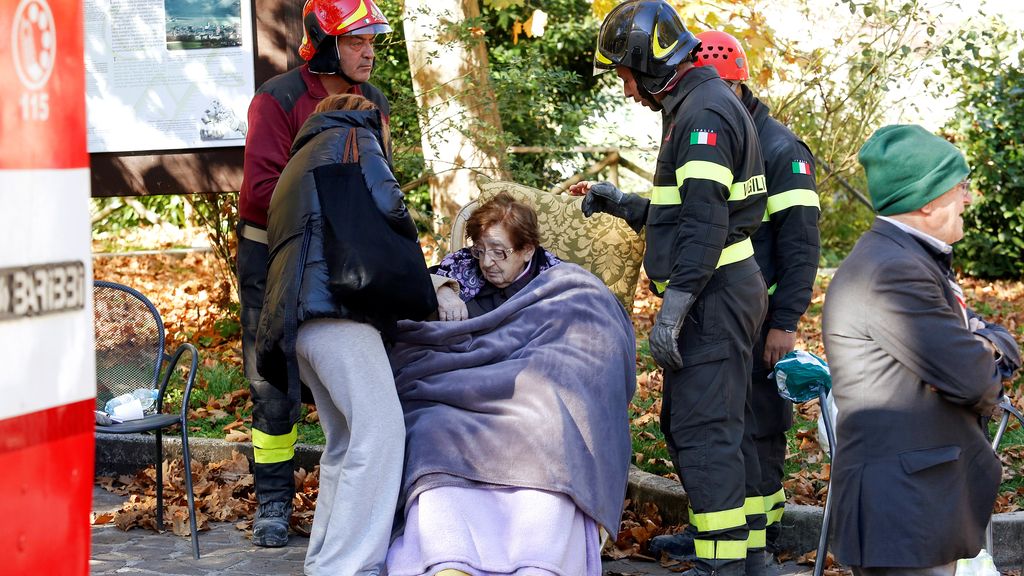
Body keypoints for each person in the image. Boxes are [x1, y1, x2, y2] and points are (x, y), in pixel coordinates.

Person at [570, 2, 768, 575]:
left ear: (649, 63)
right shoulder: (694, 105)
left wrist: (672, 311)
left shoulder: (703, 114)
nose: (627, 90)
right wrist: (623, 203)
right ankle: (746, 559)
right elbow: (686, 209)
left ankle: (723, 566)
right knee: (708, 428)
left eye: (625, 75)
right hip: (721, 289)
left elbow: (707, 225)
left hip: (713, 294)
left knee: (704, 434)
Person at [385, 193, 637, 576]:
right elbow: (410, 310)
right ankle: (449, 555)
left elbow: (593, 337)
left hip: (528, 391)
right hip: (456, 391)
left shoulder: (558, 281)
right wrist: (440, 286)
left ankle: (538, 559)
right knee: (432, 429)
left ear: (527, 250)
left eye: (499, 252)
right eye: (481, 249)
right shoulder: (462, 269)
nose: (487, 262)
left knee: (551, 423)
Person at [649, 31, 821, 566]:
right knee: (725, 425)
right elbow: (686, 212)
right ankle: (735, 544)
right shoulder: (727, 125)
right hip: (731, 298)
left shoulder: (781, 148)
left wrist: (785, 321)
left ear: (737, 85)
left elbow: (800, 244)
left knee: (751, 425)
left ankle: (749, 546)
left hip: (748, 307)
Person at [822, 124, 1021, 576]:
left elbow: (986, 343)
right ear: (928, 199)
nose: (968, 198)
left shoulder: (905, 259)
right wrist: (984, 345)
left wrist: (983, 342)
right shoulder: (892, 272)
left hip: (916, 504)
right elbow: (974, 379)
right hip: (904, 512)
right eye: (960, 187)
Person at [236, 0, 392, 547]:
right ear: (325, 45)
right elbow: (259, 194)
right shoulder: (277, 99)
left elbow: (381, 180)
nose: (369, 51)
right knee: (271, 383)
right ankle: (273, 503)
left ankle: (350, 503)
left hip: (347, 258)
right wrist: (336, 196)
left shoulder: (375, 102)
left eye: (372, 40)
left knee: (354, 380)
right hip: (274, 258)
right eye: (356, 41)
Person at [255, 93, 429, 575]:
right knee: (381, 433)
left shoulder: (297, 161)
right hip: (339, 315)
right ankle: (349, 566)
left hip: (298, 324)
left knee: (343, 441)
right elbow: (390, 206)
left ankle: (325, 559)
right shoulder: (355, 135)